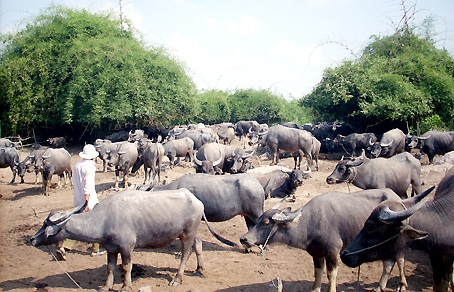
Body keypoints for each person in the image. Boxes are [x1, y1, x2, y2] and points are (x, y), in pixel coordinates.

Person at [56, 144, 105, 261]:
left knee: (77, 225)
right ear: (93, 156)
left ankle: (64, 248)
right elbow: (88, 186)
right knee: (96, 223)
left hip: (77, 199)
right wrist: (87, 203)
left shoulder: (77, 165)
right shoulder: (90, 167)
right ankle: (95, 250)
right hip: (89, 200)